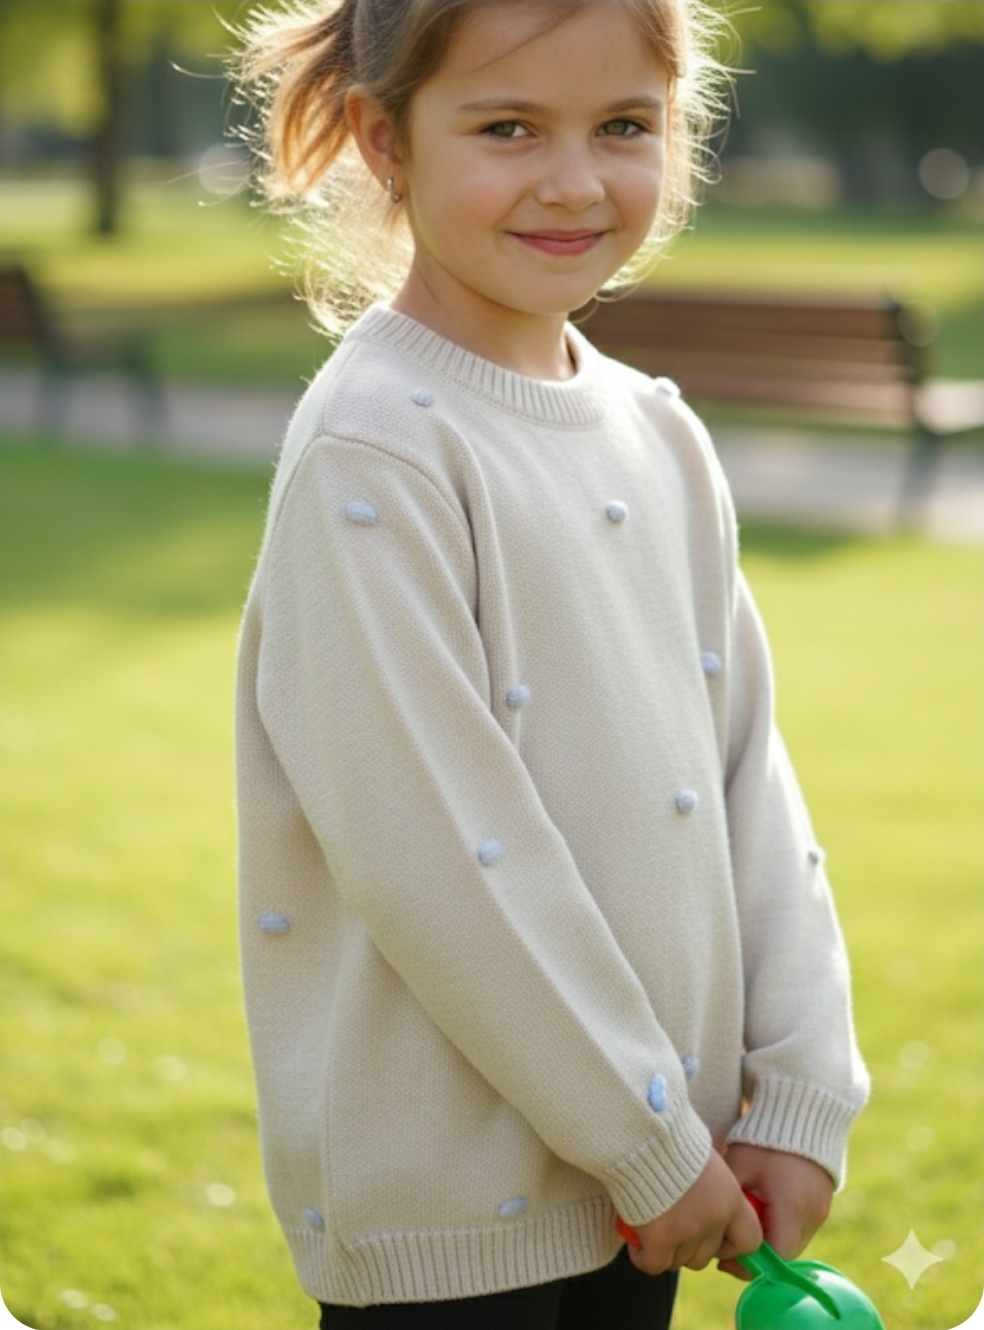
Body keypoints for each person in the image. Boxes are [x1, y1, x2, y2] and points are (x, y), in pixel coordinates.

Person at [232, 2, 870, 1326]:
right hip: (461, 1218)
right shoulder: (376, 448)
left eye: (624, 126)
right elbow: (438, 856)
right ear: (384, 139)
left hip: (656, 1190)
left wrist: (800, 1090)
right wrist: (648, 1137)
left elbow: (750, 777)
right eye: (510, 126)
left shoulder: (660, 431)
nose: (576, 180)